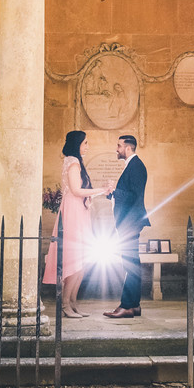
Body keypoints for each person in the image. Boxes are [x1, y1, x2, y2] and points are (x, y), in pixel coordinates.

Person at [43, 130, 109, 318]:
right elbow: (76, 190)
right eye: (86, 143)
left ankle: (73, 303)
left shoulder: (75, 162)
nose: (88, 146)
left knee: (83, 261)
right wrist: (101, 190)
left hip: (79, 211)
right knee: (75, 260)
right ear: (77, 143)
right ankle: (64, 304)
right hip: (72, 212)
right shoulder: (72, 162)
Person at [104, 134, 149, 319]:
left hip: (130, 222)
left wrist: (116, 190)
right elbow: (127, 194)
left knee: (130, 265)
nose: (117, 149)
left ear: (128, 148)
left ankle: (126, 306)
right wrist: (113, 194)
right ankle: (135, 306)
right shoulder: (132, 165)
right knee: (132, 264)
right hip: (127, 222)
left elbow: (134, 196)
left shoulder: (137, 166)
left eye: (119, 146)